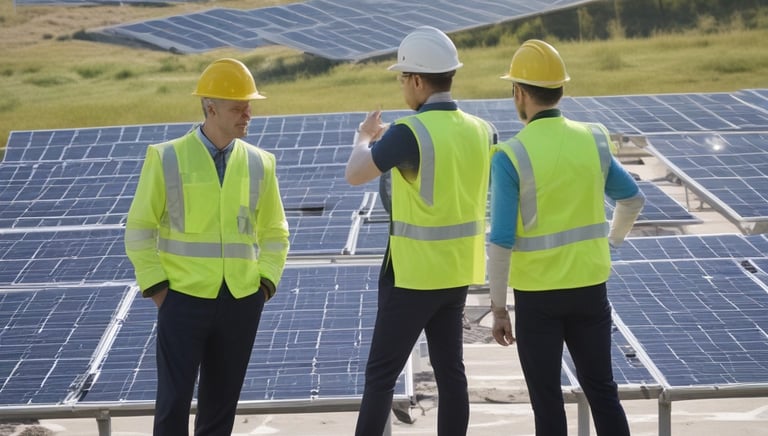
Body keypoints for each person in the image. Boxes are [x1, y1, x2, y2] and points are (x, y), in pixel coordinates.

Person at [487, 39, 644, 436]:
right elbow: (633, 199)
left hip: (538, 298)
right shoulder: (593, 138)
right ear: (560, 89)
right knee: (603, 392)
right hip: (590, 288)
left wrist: (499, 308)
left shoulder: (511, 155)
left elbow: (502, 240)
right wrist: (611, 242)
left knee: (547, 401)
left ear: (519, 93)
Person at [124, 58, 289, 436]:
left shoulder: (261, 163)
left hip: (242, 300)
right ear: (210, 108)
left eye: (250, 105)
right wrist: (157, 289)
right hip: (181, 299)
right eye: (238, 107)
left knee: (220, 408)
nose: (248, 114)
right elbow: (138, 229)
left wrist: (265, 284)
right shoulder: (166, 157)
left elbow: (276, 231)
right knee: (173, 404)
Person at [345, 26, 496, 436]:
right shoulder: (483, 130)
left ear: (416, 80)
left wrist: (365, 137)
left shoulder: (408, 132)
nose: (401, 86)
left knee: (380, 376)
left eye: (401, 78)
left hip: (412, 276)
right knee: (451, 373)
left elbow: (355, 174)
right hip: (457, 272)